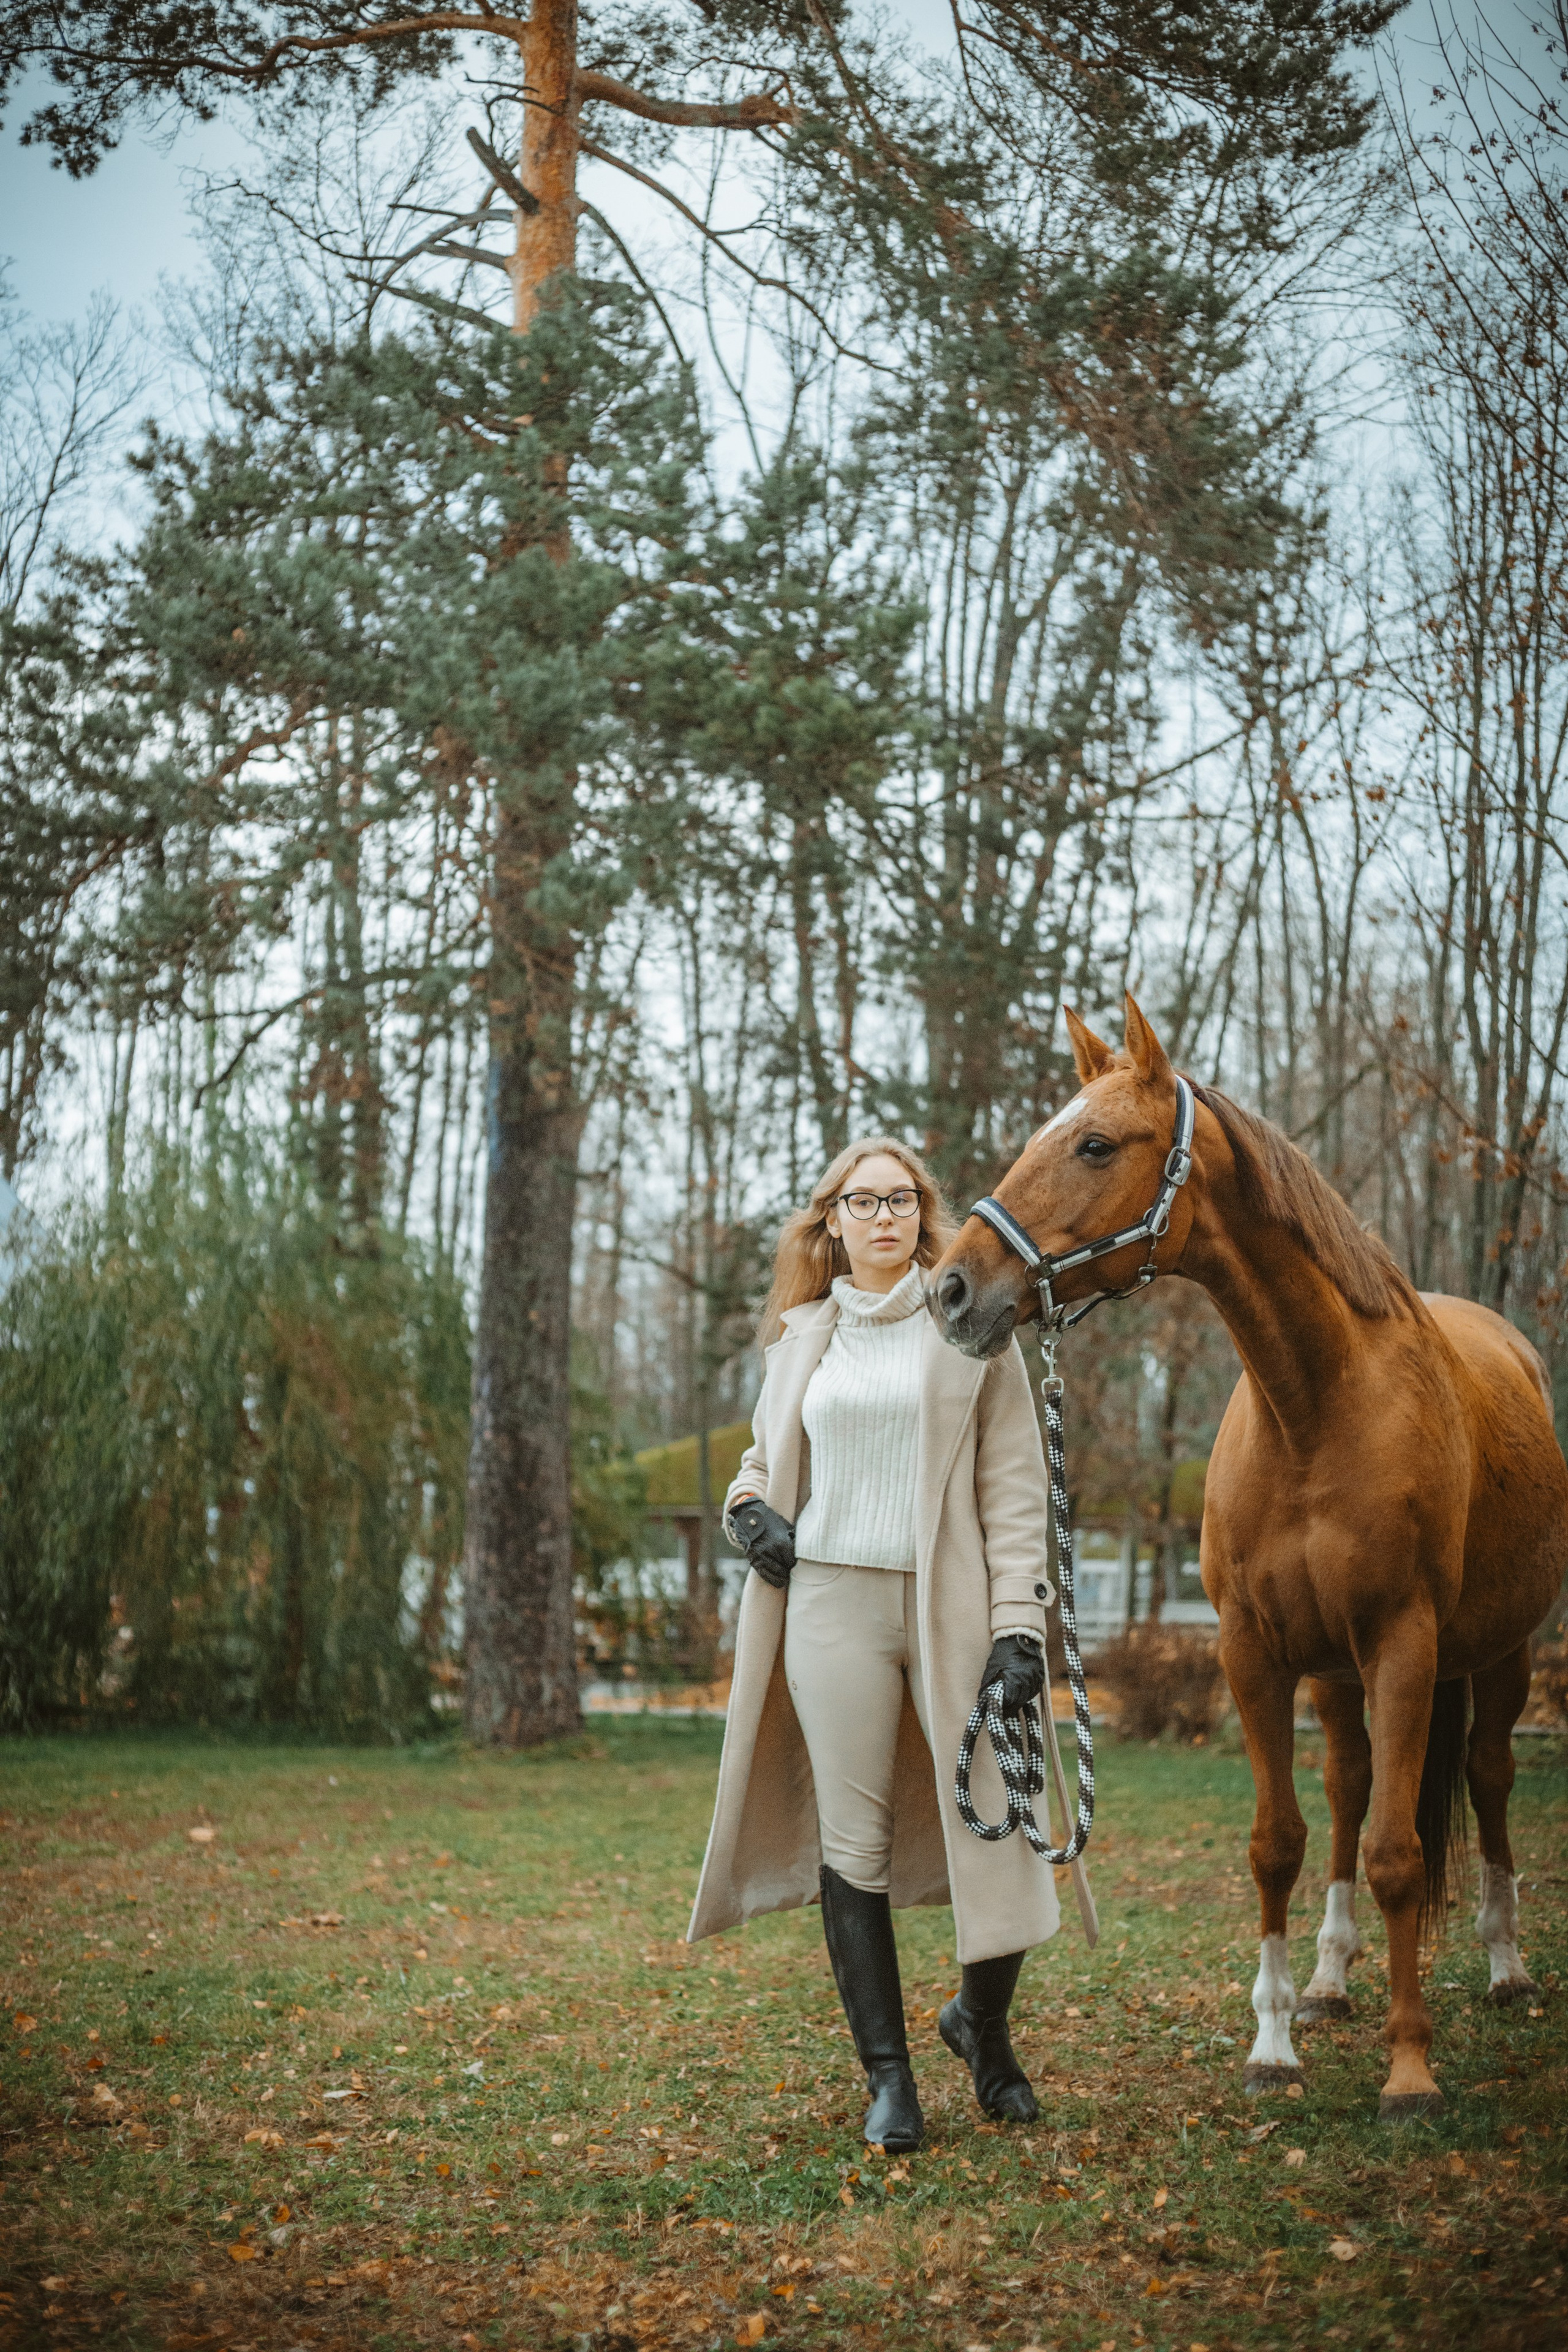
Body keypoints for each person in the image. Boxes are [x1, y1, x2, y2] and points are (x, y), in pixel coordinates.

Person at [687, 1136, 1090, 2153]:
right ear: (831, 1221)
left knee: (1003, 1814)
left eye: (902, 1199)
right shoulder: (800, 1337)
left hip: (949, 1606)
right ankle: (889, 2079)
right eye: (862, 1202)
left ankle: (979, 2024)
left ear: (923, 1212)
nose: (883, 1217)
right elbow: (760, 1461)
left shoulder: (972, 1326)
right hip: (828, 1607)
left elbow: (1012, 1492)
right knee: (851, 1844)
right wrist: (747, 1511)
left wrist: (1017, 1631)